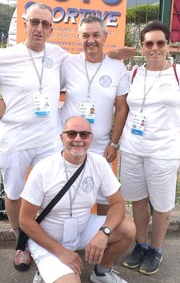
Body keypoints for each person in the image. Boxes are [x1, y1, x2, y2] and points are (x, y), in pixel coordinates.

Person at [0, 2, 137, 272]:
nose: (39, 28)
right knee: (15, 193)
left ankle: (54, 243)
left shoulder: (57, 54)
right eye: (34, 22)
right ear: (25, 24)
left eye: (45, 24)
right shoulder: (7, 56)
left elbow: (92, 51)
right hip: (15, 139)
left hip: (51, 138)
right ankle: (21, 243)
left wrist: (112, 52)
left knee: (55, 192)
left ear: (51, 29)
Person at [119, 20, 180, 275]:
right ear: (141, 47)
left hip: (163, 152)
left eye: (160, 43)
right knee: (139, 200)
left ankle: (156, 249)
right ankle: (141, 245)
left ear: (168, 45)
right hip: (132, 148)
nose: (154, 48)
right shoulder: (132, 73)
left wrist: (177, 140)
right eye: (149, 43)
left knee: (162, 204)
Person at [19, 116, 136, 283]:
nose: (78, 139)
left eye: (84, 134)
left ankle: (102, 272)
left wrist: (104, 232)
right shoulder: (43, 169)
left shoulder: (99, 163)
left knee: (128, 228)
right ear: (62, 137)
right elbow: (25, 221)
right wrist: (61, 251)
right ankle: (46, 266)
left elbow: (118, 204)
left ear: (91, 138)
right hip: (49, 239)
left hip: (82, 229)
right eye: (72, 134)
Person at [60, 15, 129, 215]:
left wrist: (114, 143)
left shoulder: (117, 68)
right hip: (70, 142)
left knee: (105, 195)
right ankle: (65, 237)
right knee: (66, 192)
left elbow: (122, 108)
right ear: (79, 38)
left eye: (96, 35)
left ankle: (103, 235)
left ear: (105, 37)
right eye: (86, 35)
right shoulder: (68, 64)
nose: (91, 40)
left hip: (101, 146)